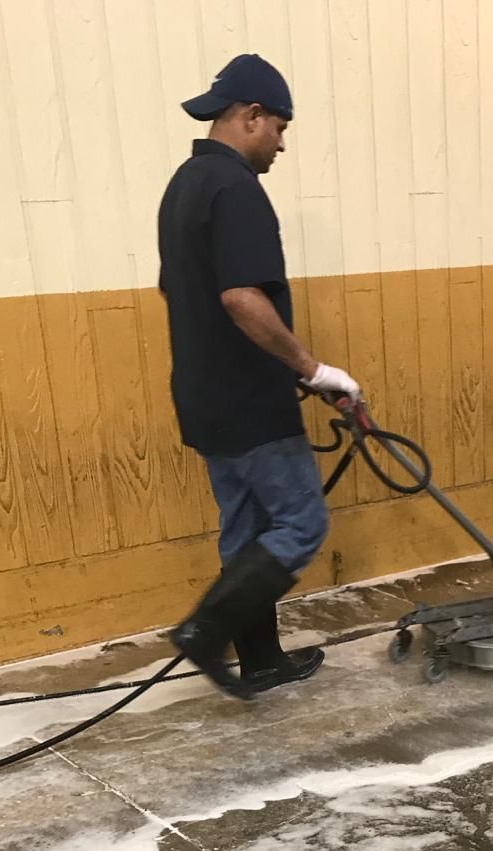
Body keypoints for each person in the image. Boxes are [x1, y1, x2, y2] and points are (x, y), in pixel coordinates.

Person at [157, 54, 361, 697]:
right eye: (279, 129)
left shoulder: (184, 185)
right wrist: (313, 368)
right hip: (250, 402)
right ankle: (207, 630)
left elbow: (184, 294)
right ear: (252, 116)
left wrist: (286, 367)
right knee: (301, 524)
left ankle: (262, 659)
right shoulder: (238, 188)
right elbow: (242, 298)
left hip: (204, 397)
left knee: (244, 530)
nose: (279, 144)